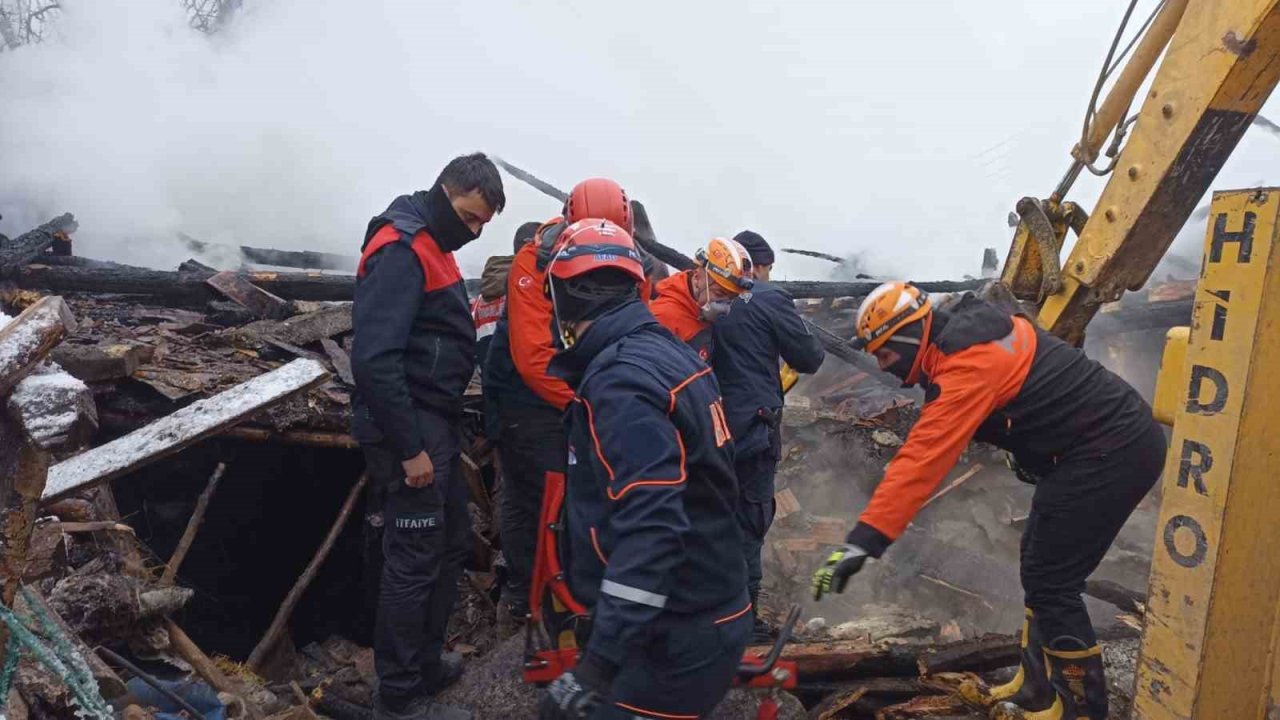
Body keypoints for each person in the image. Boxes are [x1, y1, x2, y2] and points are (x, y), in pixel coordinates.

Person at [809, 282, 1165, 720]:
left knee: (1052, 582)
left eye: (885, 354)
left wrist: (864, 541)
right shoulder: (973, 330)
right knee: (1035, 560)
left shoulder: (966, 365)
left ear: (907, 336)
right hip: (1085, 450)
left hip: (1113, 451)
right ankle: (1036, 687)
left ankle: (1080, 708)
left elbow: (920, 462)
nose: (889, 369)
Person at [538, 219, 751, 720]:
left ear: (566, 293)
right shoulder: (666, 354)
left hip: (678, 636)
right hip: (703, 611)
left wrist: (597, 666)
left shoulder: (620, 380)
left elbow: (652, 530)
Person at [351, 153, 505, 720]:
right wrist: (410, 447)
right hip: (406, 427)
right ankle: (399, 696)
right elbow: (374, 359)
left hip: (432, 423)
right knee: (413, 558)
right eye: (468, 217)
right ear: (447, 189)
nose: (472, 233)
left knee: (448, 543)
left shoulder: (433, 247)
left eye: (482, 226)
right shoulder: (401, 248)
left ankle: (424, 662)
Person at [483, 179, 635, 623]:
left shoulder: (626, 255)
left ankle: (575, 589)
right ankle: (526, 596)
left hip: (579, 390)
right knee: (534, 495)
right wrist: (592, 400)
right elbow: (533, 358)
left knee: (584, 491)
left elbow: (639, 323)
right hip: (526, 395)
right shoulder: (536, 258)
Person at [711, 230, 824, 641]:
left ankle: (710, 614)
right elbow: (809, 358)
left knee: (712, 519)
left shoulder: (710, 300)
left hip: (707, 430)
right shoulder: (768, 298)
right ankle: (744, 624)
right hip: (753, 432)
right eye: (768, 269)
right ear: (756, 266)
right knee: (750, 521)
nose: (769, 277)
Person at [649, 237, 754, 361]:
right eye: (720, 293)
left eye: (731, 298)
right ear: (698, 276)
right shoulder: (662, 318)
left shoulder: (702, 313)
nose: (725, 307)